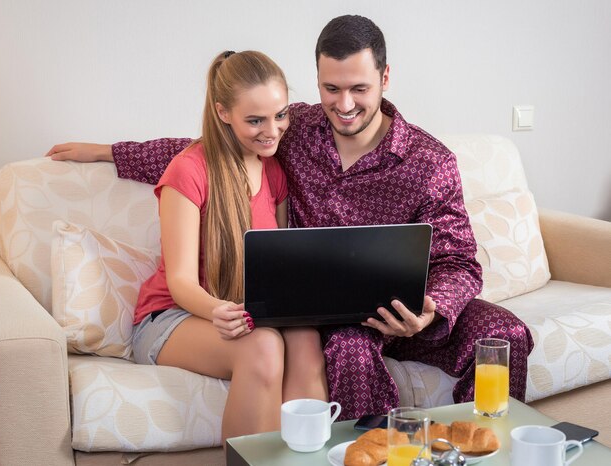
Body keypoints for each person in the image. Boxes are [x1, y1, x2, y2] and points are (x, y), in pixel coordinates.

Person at [47, 15, 533, 421]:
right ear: (317, 79)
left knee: (505, 334)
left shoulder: (430, 162)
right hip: (341, 321)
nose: (344, 105)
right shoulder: (292, 128)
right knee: (347, 350)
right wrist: (109, 152)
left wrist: (429, 307)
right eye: (331, 88)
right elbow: (209, 150)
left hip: (411, 313)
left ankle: (485, 449)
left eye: (359, 89)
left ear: (385, 79)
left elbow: (462, 263)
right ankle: (364, 453)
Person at [112, 50, 327, 442]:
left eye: (280, 115)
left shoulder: (273, 170)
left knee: (306, 338)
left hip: (243, 309)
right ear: (223, 112)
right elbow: (179, 282)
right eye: (255, 120)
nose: (273, 130)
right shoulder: (188, 170)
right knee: (262, 347)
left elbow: (274, 268)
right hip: (172, 316)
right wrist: (220, 311)